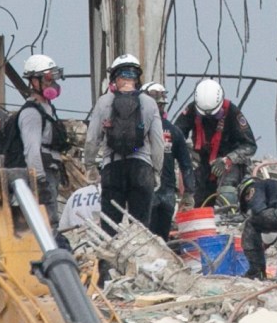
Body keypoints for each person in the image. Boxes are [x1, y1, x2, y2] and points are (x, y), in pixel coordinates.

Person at [83, 54, 166, 230]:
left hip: (113, 167)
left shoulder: (104, 102)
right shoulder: (150, 103)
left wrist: (90, 165)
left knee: (110, 226)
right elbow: (158, 143)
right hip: (141, 167)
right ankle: (141, 257)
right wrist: (156, 171)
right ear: (137, 78)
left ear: (114, 78)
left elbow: (92, 138)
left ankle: (108, 258)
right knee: (141, 228)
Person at [175, 78, 259, 210]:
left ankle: (226, 220)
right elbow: (176, 135)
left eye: (214, 115)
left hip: (229, 162)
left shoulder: (232, 112)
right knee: (194, 197)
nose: (209, 119)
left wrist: (229, 159)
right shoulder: (191, 110)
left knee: (227, 193)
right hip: (203, 162)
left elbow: (250, 146)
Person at [9, 54, 72, 203]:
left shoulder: (48, 108)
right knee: (48, 220)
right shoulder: (31, 113)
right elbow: (32, 150)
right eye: (48, 79)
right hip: (44, 172)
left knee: (52, 220)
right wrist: (40, 181)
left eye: (53, 79)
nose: (53, 84)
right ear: (34, 81)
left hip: (52, 169)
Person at [143, 81, 183, 237]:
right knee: (149, 232)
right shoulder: (140, 129)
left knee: (161, 235)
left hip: (166, 190)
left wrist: (188, 194)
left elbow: (184, 162)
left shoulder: (172, 131)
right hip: (147, 188)